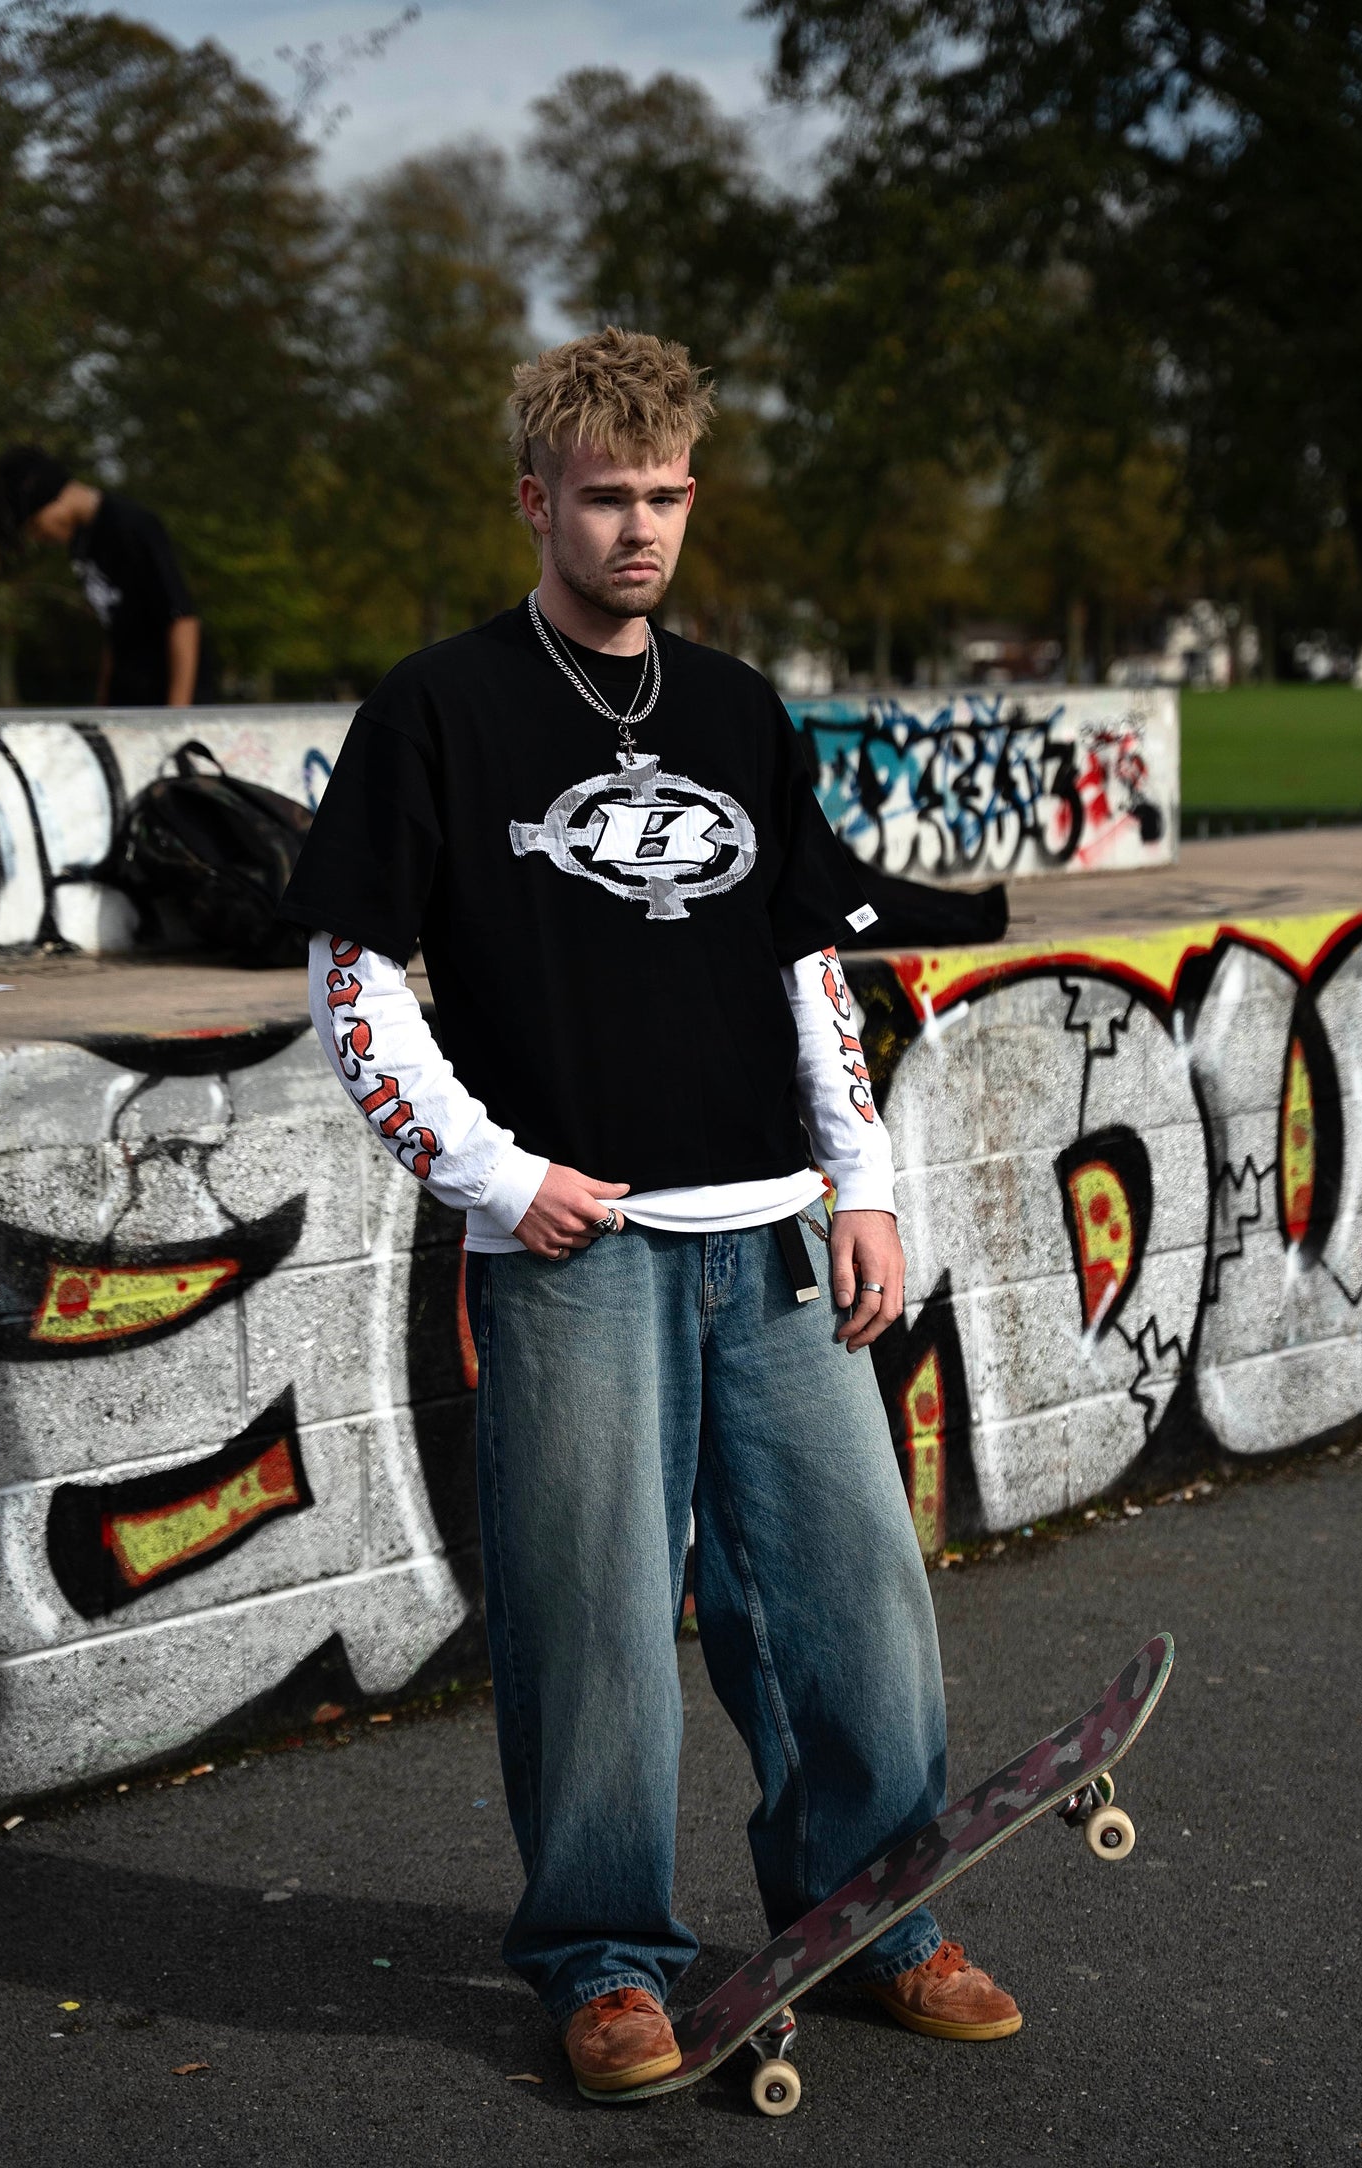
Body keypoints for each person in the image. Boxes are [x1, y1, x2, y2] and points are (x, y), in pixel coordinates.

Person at [277, 327, 1021, 2096]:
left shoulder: (741, 709)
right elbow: (355, 969)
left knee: (852, 1596)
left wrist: (865, 1181)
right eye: (605, 496)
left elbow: (808, 963)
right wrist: (489, 1169)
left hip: (771, 1233)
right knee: (592, 1615)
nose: (640, 530)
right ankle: (606, 1955)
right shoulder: (441, 707)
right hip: (578, 1249)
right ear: (536, 497)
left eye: (667, 494)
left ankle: (876, 1904)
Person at [0, 445, 206, 706]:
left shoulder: (132, 526)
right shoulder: (83, 542)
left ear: (51, 499)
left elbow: (182, 619)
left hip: (161, 700)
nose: (41, 538)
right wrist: (103, 704)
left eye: (37, 527)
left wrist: (177, 715)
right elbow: (115, 629)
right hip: (126, 702)